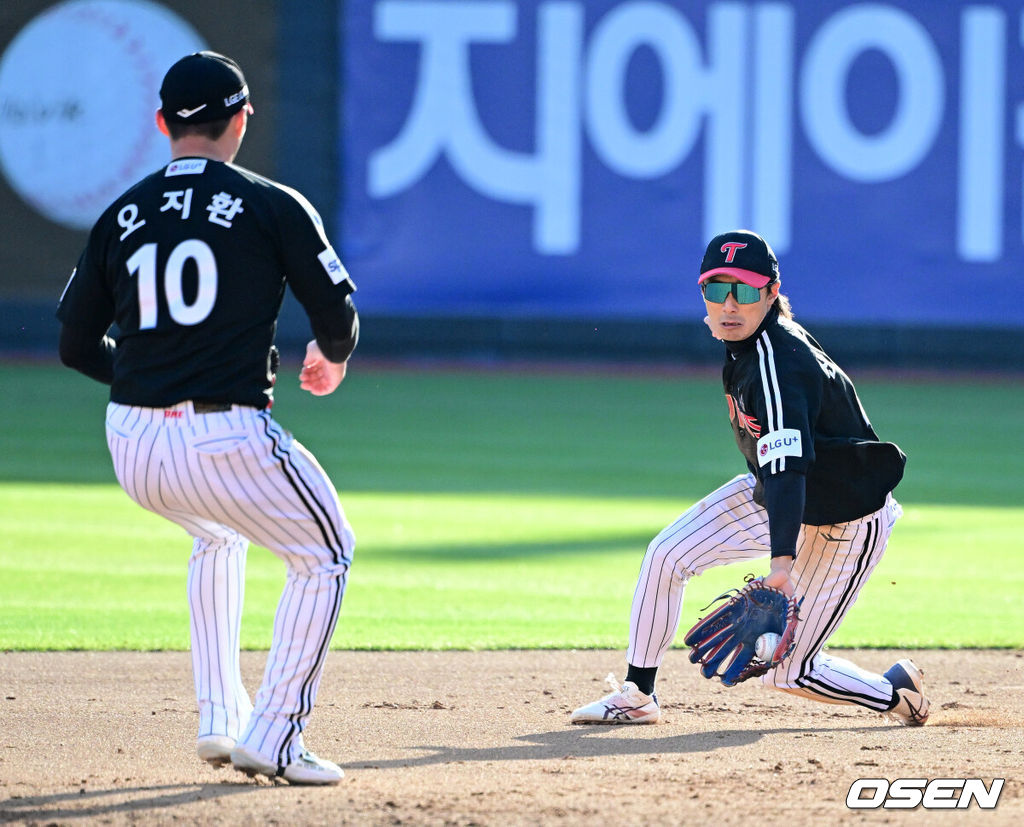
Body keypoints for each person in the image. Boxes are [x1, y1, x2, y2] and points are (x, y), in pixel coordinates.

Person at [57, 51, 360, 784]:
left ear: (162, 124)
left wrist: (139, 374)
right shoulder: (271, 202)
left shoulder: (120, 213)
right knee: (326, 552)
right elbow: (337, 315)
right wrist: (331, 355)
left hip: (131, 443)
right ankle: (277, 736)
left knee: (219, 529)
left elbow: (72, 343)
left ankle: (221, 716)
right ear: (242, 119)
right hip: (226, 433)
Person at [570, 229, 930, 727]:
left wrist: (780, 566)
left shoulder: (776, 362)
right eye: (717, 290)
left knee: (789, 675)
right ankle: (638, 694)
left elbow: (788, 467)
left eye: (744, 288)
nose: (730, 303)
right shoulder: (751, 343)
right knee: (666, 555)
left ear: (771, 291)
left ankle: (895, 694)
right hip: (785, 497)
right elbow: (778, 470)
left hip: (845, 518)